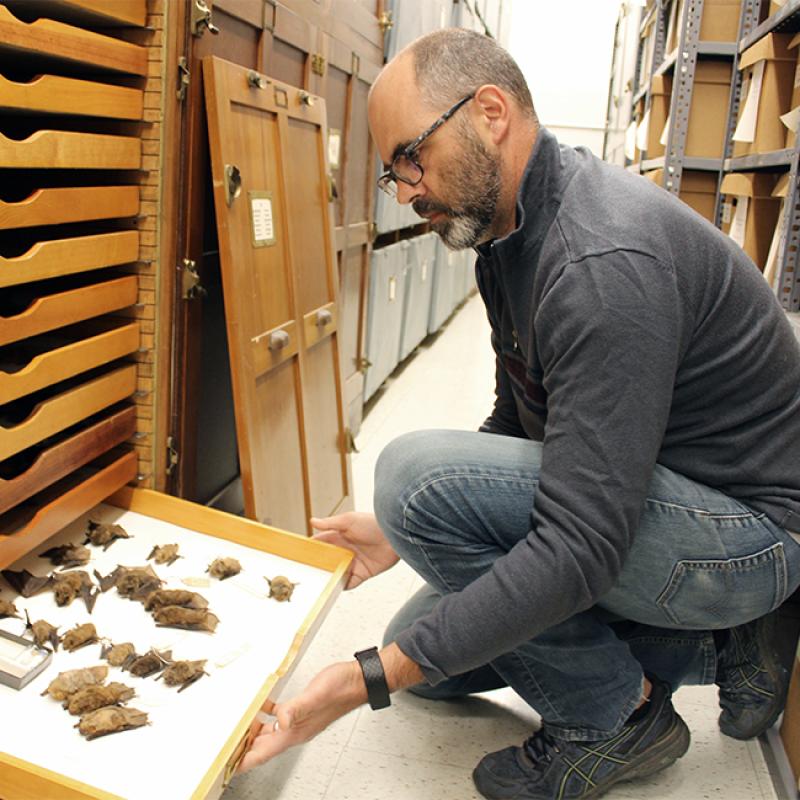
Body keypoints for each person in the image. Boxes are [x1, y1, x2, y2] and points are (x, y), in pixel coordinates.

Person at [238, 28, 800, 799]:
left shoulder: (600, 262)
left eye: (410, 157)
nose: (404, 189)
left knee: (410, 487)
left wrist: (357, 680)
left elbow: (581, 544)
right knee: (424, 660)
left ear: (490, 112)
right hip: (654, 500)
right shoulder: (508, 237)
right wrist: (411, 534)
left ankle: (620, 717)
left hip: (744, 535)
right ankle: (711, 646)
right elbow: (519, 421)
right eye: (391, 172)